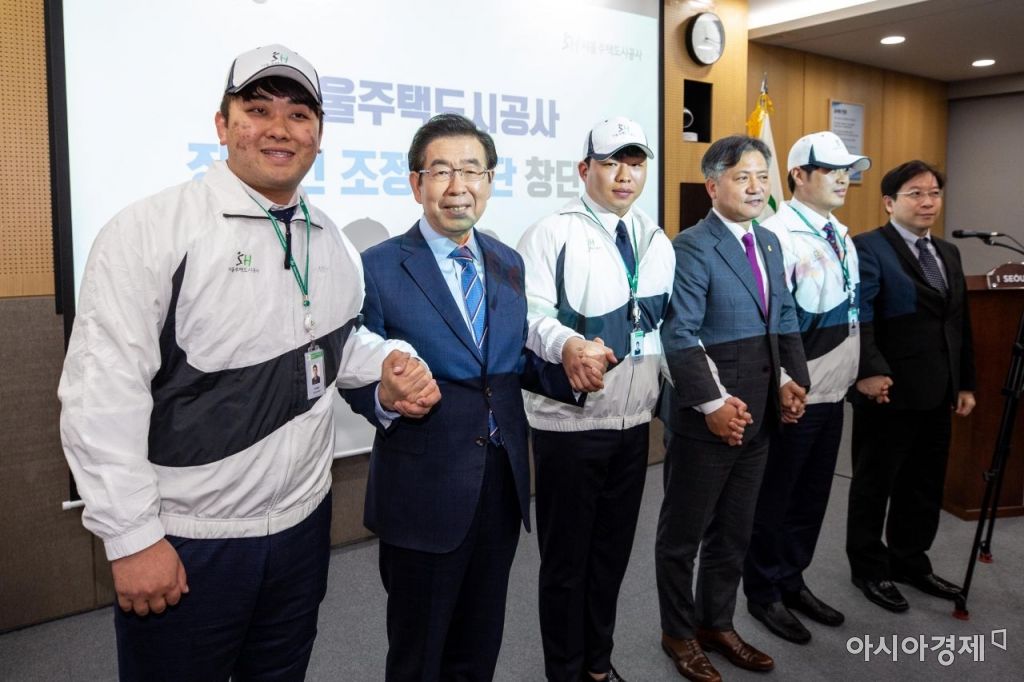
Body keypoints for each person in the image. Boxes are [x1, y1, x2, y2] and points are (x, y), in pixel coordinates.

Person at [58, 44, 439, 680]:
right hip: (190, 538)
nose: (279, 129)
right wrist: (132, 538)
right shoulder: (149, 232)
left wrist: (388, 365)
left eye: (298, 114)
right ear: (222, 124)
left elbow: (337, 343)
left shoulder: (331, 240)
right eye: (257, 110)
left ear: (318, 133)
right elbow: (101, 396)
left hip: (302, 528)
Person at [341, 113, 599, 682]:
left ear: (490, 180)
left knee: (479, 647)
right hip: (423, 491)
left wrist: (570, 370)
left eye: (472, 170)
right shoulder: (377, 267)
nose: (458, 186)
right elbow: (354, 366)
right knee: (419, 656)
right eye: (441, 171)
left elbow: (505, 362)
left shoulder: (507, 261)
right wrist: (384, 395)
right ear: (417, 183)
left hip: (500, 483)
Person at [517, 116, 674, 682]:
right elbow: (527, 317)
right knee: (566, 565)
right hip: (569, 429)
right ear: (585, 169)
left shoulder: (656, 240)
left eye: (635, 163)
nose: (625, 175)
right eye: (611, 163)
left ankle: (597, 668)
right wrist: (568, 345)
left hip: (632, 426)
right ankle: (565, 672)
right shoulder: (550, 233)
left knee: (610, 559)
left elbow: (664, 329)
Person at [656, 135, 810, 682]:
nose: (755, 187)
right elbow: (679, 333)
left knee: (734, 533)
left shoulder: (768, 241)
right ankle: (678, 633)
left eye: (762, 177)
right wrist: (713, 404)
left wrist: (791, 381)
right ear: (712, 185)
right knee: (683, 537)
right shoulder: (692, 246)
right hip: (709, 419)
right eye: (742, 177)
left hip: (760, 414)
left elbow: (784, 318)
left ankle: (715, 623)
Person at [743, 132, 870, 643]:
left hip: (833, 391)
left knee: (812, 499)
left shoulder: (841, 233)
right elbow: (772, 322)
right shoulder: (775, 235)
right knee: (776, 498)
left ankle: (792, 580)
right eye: (831, 169)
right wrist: (782, 383)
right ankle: (763, 593)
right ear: (798, 174)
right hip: (795, 394)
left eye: (847, 170)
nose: (844, 178)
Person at [846, 160, 976, 612]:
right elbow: (860, 315)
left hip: (939, 390)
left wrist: (965, 383)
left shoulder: (948, 252)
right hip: (887, 390)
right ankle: (868, 567)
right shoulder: (867, 247)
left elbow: (959, 323)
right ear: (889, 202)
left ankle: (909, 561)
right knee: (874, 483)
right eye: (915, 194)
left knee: (924, 483)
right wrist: (868, 370)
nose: (927, 202)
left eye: (934, 193)